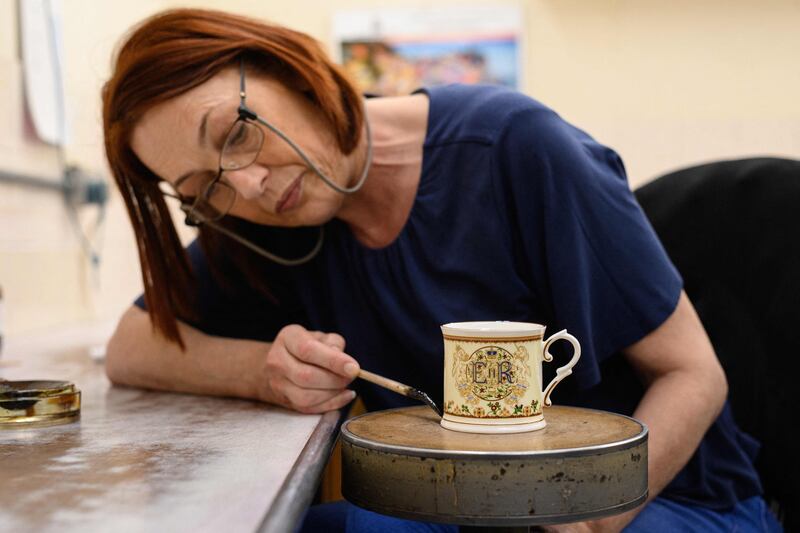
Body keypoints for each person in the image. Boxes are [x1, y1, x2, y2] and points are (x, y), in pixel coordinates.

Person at [102, 8, 779, 533]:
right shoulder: (268, 220)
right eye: (203, 190)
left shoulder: (515, 147)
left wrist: (591, 511)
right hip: (470, 505)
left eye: (235, 131)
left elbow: (695, 373)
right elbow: (130, 347)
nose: (245, 186)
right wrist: (263, 371)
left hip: (670, 499)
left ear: (284, 67)